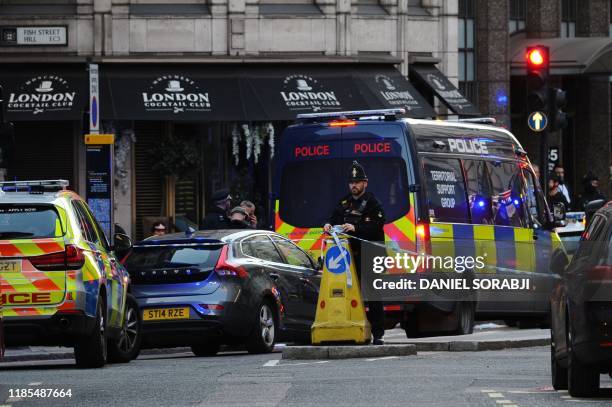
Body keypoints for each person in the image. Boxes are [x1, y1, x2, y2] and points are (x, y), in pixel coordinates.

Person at [323, 160, 386, 345]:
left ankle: (378, 334)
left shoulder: (373, 203)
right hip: (349, 257)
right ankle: (354, 328)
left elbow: (377, 225)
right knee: (351, 293)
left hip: (371, 256)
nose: (354, 185)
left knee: (373, 296)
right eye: (351, 182)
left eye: (357, 182)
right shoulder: (344, 202)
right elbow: (333, 217)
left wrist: (355, 228)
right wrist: (327, 224)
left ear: (365, 183)